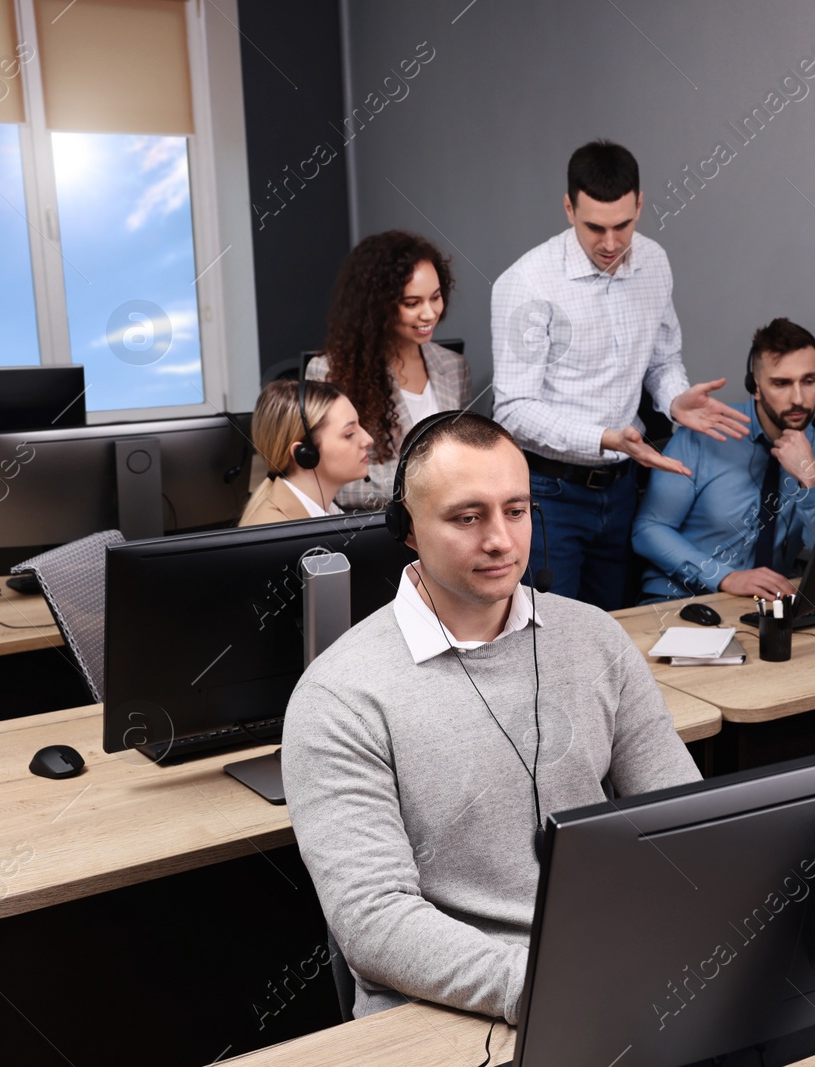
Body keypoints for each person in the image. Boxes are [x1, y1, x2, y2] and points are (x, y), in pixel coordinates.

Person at [281, 411, 700, 1023]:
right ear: (407, 529)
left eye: (517, 510)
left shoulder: (595, 639)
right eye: (467, 517)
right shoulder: (340, 695)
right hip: (445, 1011)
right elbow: (374, 922)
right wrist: (553, 987)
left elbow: (683, 825)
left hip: (611, 978)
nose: (501, 539)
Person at [491, 140, 749, 610]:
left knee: (614, 631)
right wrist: (605, 437)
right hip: (550, 494)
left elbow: (662, 362)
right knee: (551, 642)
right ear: (569, 208)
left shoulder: (654, 262)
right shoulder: (527, 282)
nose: (610, 243)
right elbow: (512, 410)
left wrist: (674, 399)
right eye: (594, 227)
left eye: (623, 226)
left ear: (640, 204)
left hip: (624, 488)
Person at [633, 318, 815, 602]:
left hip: (768, 606)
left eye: (809, 381)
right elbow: (648, 530)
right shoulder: (702, 435)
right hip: (681, 599)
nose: (799, 398)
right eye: (781, 383)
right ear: (756, 387)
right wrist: (724, 577)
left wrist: (811, 479)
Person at [307, 230, 473, 510]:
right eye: (412, 303)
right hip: (373, 530)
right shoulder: (330, 371)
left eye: (435, 297)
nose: (429, 313)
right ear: (377, 306)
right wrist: (428, 483)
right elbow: (333, 480)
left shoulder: (454, 366)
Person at [239, 378, 373, 526]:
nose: (368, 439)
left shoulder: (326, 510)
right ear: (305, 454)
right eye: (349, 434)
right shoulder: (278, 533)